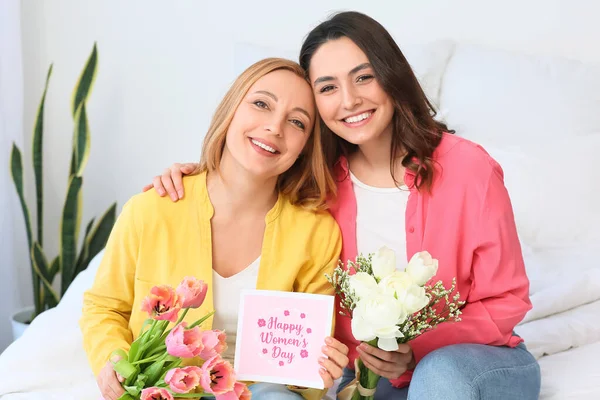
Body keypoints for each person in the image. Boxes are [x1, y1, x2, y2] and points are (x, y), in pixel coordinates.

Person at [145, 11, 541, 400]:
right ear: (314, 102)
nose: (350, 100)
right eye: (328, 88)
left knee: (439, 374)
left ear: (391, 75)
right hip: (374, 375)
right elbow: (251, 172)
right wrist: (199, 174)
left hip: (478, 362)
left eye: (364, 77)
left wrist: (415, 348)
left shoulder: (468, 168)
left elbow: (508, 299)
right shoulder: (314, 186)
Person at [79, 58, 350, 400]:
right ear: (231, 110)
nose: (275, 127)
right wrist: (115, 362)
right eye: (261, 104)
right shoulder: (151, 209)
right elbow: (104, 307)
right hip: (165, 386)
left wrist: (316, 372)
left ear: (306, 147)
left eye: (297, 122)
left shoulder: (318, 233)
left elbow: (306, 366)